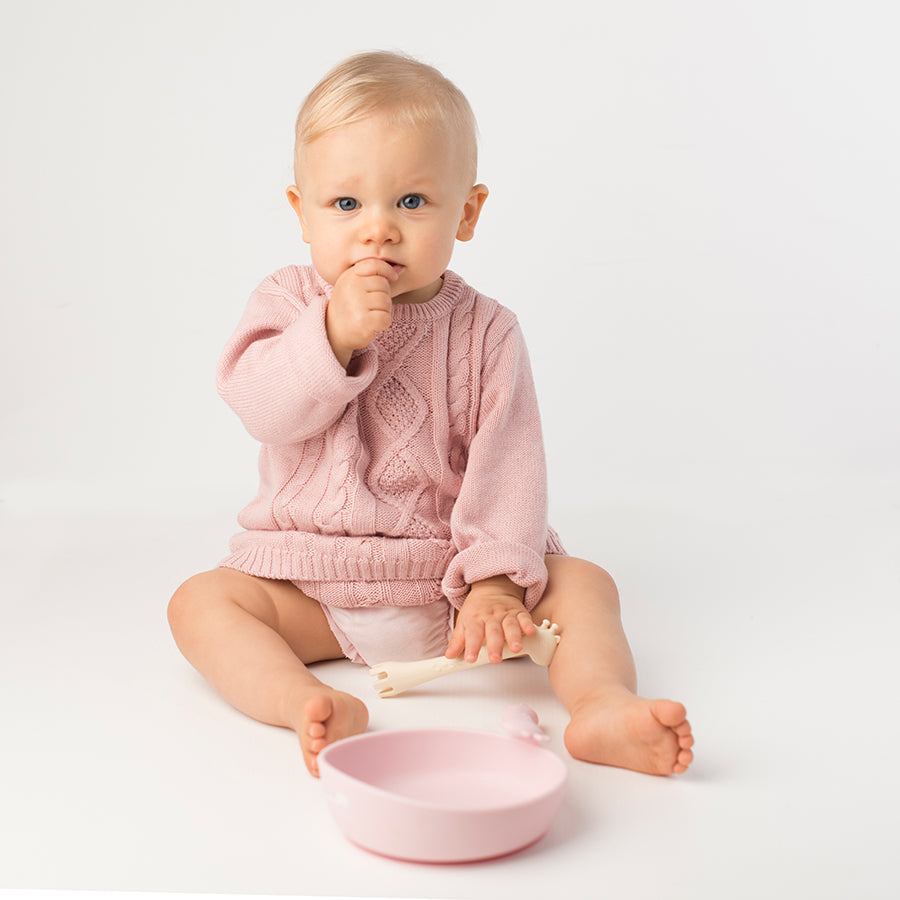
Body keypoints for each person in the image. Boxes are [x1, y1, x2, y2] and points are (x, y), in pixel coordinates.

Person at [167, 50, 694, 779]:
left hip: (453, 591)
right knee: (201, 603)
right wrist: (330, 337)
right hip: (314, 589)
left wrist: (497, 586)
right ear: (302, 212)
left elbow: (509, 467)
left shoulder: (487, 331)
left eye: (411, 203)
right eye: (346, 205)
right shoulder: (288, 304)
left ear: (467, 212)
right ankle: (303, 700)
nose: (377, 230)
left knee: (586, 586)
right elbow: (261, 408)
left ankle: (601, 704)